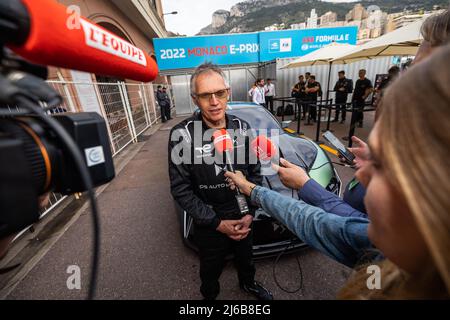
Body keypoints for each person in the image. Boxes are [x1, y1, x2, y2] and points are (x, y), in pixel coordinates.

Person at [225, 44, 450, 299]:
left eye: (381, 164)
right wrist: (254, 190)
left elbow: (317, 222)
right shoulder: (390, 248)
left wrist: (265, 188)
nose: (361, 176)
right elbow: (311, 219)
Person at [168, 62, 273, 300]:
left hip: (243, 213)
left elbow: (256, 173)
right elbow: (180, 189)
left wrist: (250, 213)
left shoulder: (243, 128)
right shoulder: (181, 135)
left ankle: (248, 283)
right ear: (195, 99)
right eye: (206, 95)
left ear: (228, 93)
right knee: (210, 270)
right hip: (209, 220)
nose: (214, 101)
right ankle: (210, 296)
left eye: (220, 93)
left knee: (246, 258)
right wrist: (216, 223)